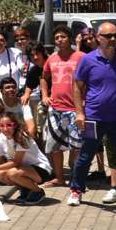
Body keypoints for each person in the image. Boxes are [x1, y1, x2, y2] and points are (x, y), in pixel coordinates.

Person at [68, 22, 116, 214]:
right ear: (98, 38)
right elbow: (77, 87)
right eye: (108, 36)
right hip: (93, 118)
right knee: (85, 156)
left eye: (115, 35)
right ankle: (76, 189)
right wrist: (80, 113)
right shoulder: (87, 60)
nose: (112, 39)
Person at [38, 26, 84, 189]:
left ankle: (76, 179)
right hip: (55, 109)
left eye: (63, 37)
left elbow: (91, 78)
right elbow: (44, 78)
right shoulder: (52, 58)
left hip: (75, 110)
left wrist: (86, 100)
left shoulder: (81, 57)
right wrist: (45, 95)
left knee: (77, 147)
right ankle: (59, 178)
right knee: (55, 147)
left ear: (69, 38)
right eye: (57, 37)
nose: (59, 40)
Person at [0, 112, 52, 205]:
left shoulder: (22, 137)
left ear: (15, 125)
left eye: (9, 125)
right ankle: (26, 189)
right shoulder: (0, 138)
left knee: (12, 173)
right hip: (24, 168)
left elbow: (16, 163)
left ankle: (38, 192)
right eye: (2, 126)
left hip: (41, 169)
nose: (5, 129)